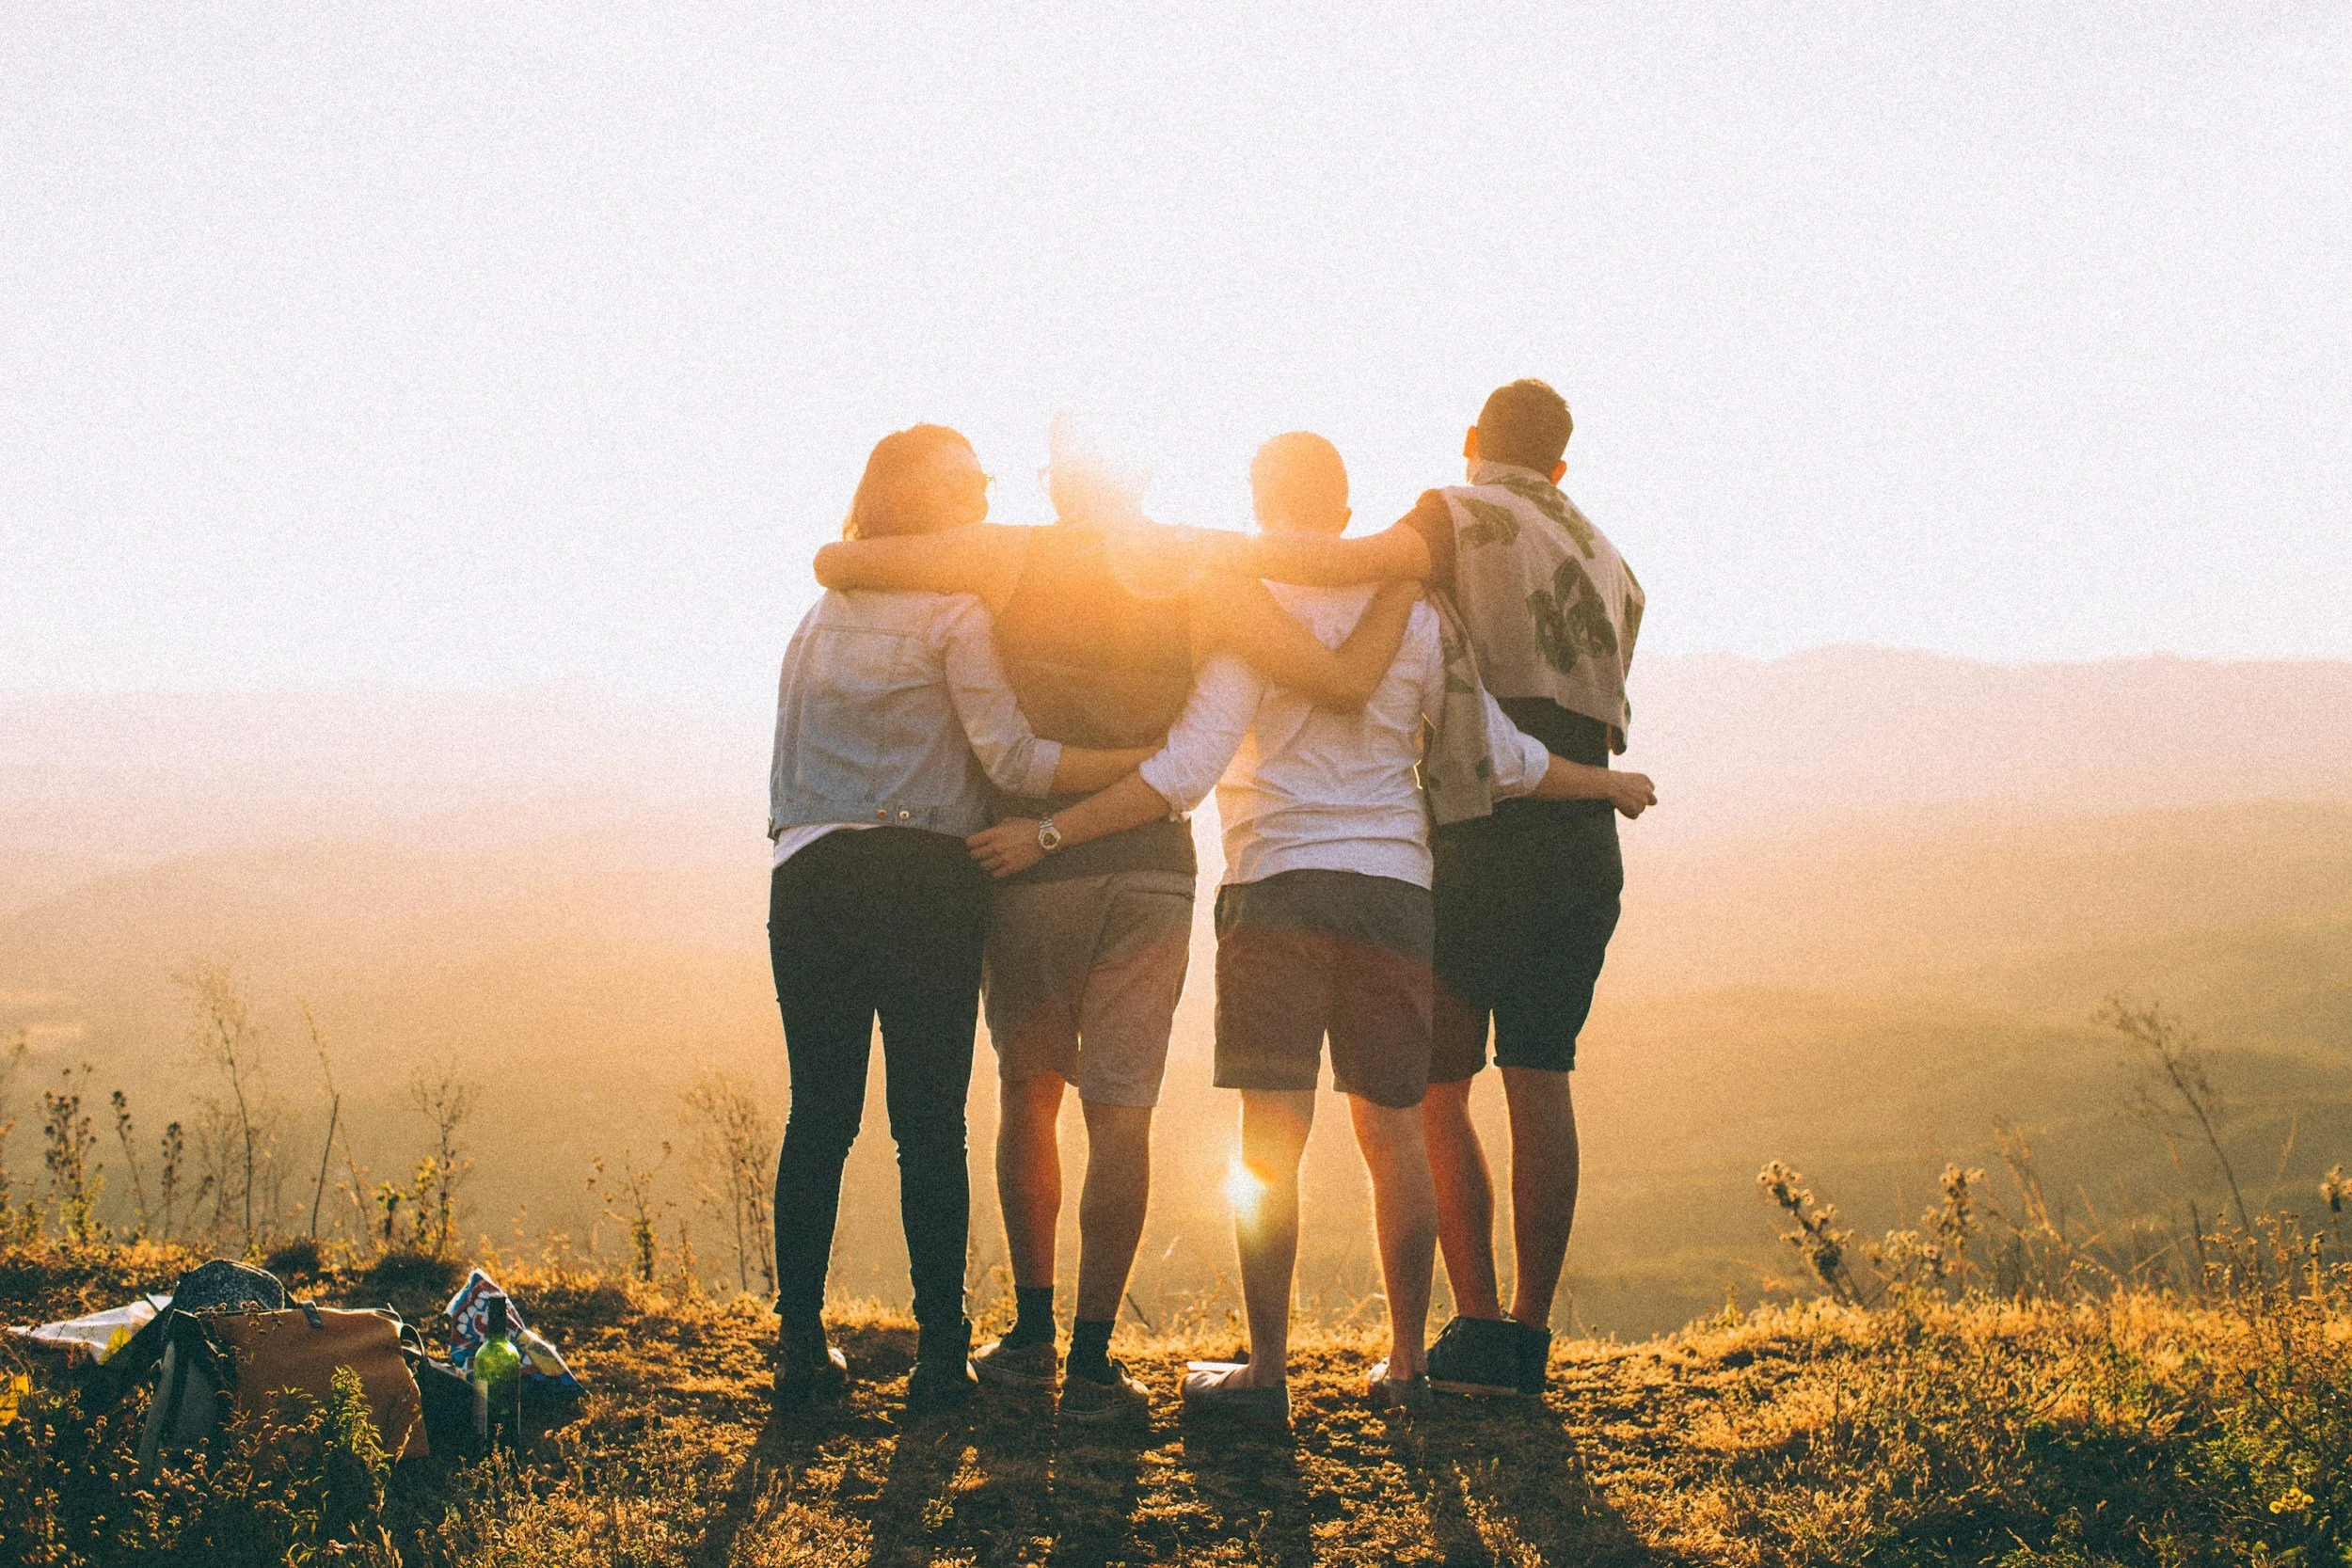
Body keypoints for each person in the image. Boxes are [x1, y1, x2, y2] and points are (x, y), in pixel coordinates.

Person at [966, 432, 1652, 1427]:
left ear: (1257, 500)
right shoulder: (1417, 613)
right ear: (1344, 511)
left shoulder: (1246, 610)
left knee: (1269, 1143)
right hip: (1394, 894)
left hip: (1274, 887)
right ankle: (1408, 1364)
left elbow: (1185, 771)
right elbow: (1501, 756)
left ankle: (1268, 1373)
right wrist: (1607, 782)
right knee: (1394, 1133)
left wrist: (1051, 830)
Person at [813, 415, 1419, 1424]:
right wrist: (1402, 572)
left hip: (1026, 863)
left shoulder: (1006, 554)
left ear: (1057, 484)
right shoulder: (1195, 565)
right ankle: (1094, 1360)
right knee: (1121, 1111)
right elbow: (1329, 667)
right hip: (1150, 869)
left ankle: (1031, 1332)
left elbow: (845, 558)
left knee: (1029, 1091)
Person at [1207, 381, 1649, 1396]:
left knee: (1431, 1092)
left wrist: (1200, 551)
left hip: (1481, 828)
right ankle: (1523, 1338)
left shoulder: (1454, 514)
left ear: (1470, 442)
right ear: (1562, 464)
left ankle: (1471, 1325)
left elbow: (1349, 565)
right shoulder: (1612, 558)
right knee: (1542, 1073)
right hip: (1580, 832)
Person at [766, 423, 1162, 1412]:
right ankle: (941, 1355)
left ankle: (799, 1345)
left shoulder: (816, 617)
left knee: (818, 1115)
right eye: (967, 482)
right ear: (924, 502)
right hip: (925, 880)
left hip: (808, 874)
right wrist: (1140, 766)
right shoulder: (953, 614)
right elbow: (1015, 763)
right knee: (927, 1125)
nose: (985, 493)